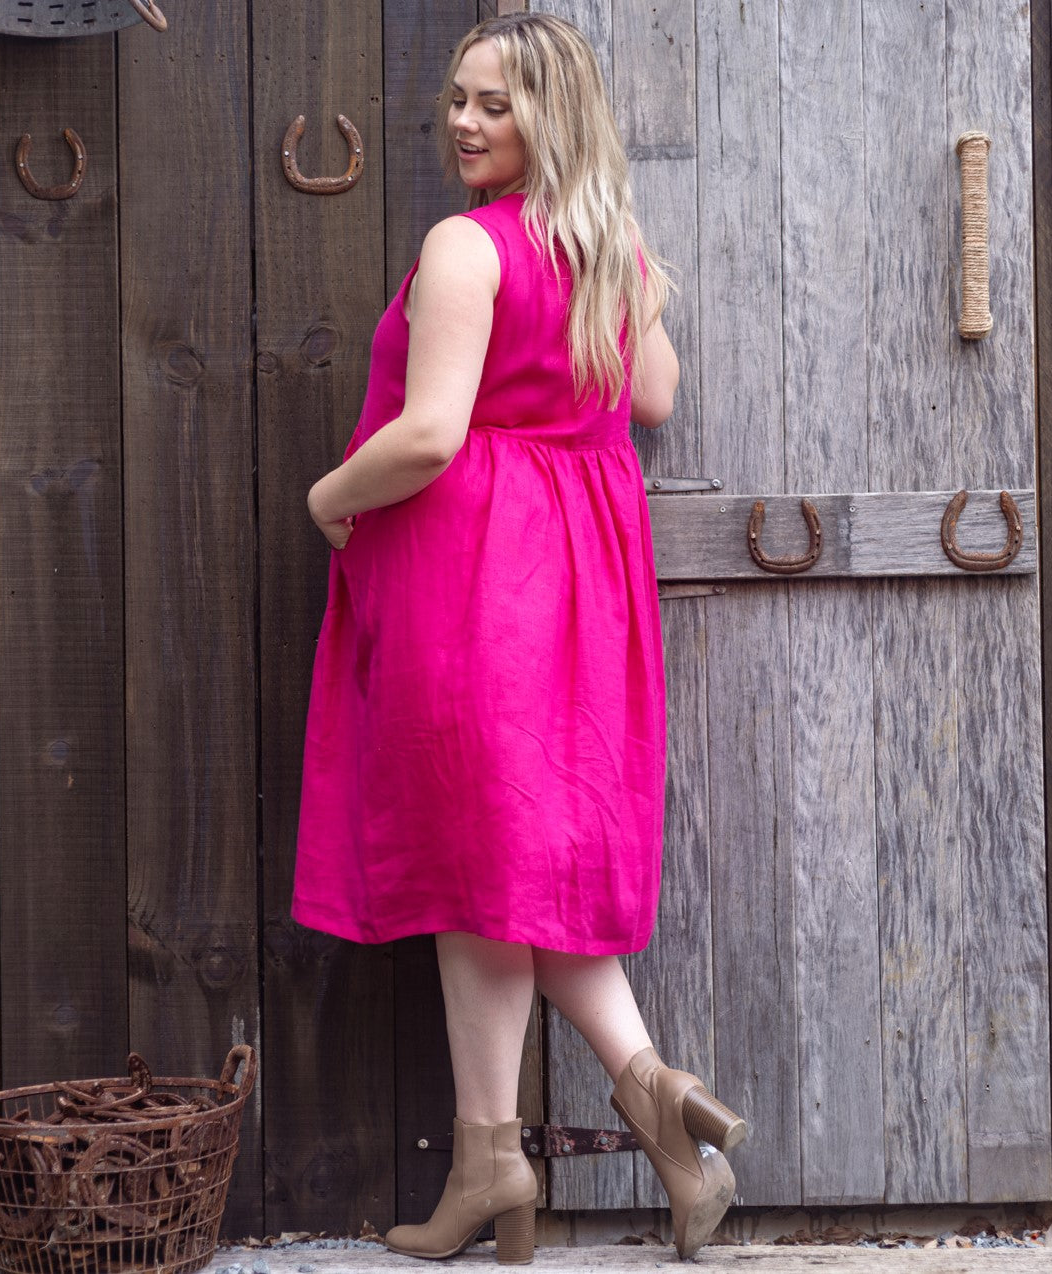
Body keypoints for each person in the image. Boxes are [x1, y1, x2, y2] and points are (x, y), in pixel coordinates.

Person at [290, 12, 745, 1265]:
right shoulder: (605, 249)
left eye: (494, 103)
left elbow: (430, 433)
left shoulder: (466, 246)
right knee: (493, 875)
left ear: (551, 117)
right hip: (581, 582)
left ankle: (529, 1146)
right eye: (456, 97)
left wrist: (330, 497)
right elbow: (646, 395)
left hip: (478, 577)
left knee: (477, 863)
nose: (462, 120)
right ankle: (570, 1127)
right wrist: (612, 282)